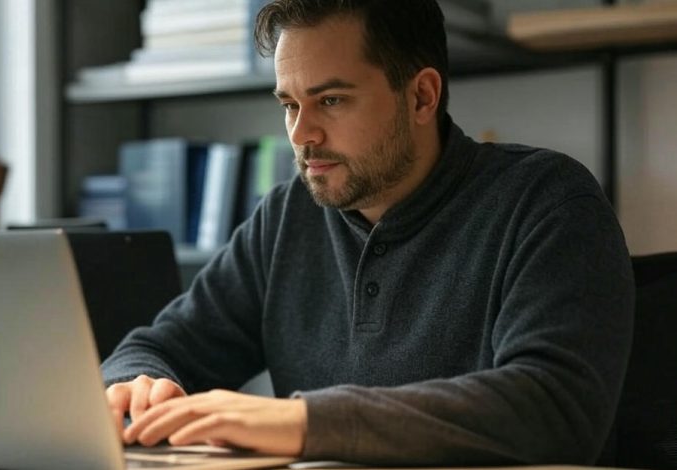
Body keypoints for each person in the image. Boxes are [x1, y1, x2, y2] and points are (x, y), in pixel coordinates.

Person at [102, 0, 635, 466]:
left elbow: (557, 408)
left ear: (423, 96)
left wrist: (302, 423)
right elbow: (156, 346)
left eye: (331, 100)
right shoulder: (288, 214)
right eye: (289, 104)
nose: (301, 135)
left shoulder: (548, 202)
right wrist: (135, 385)